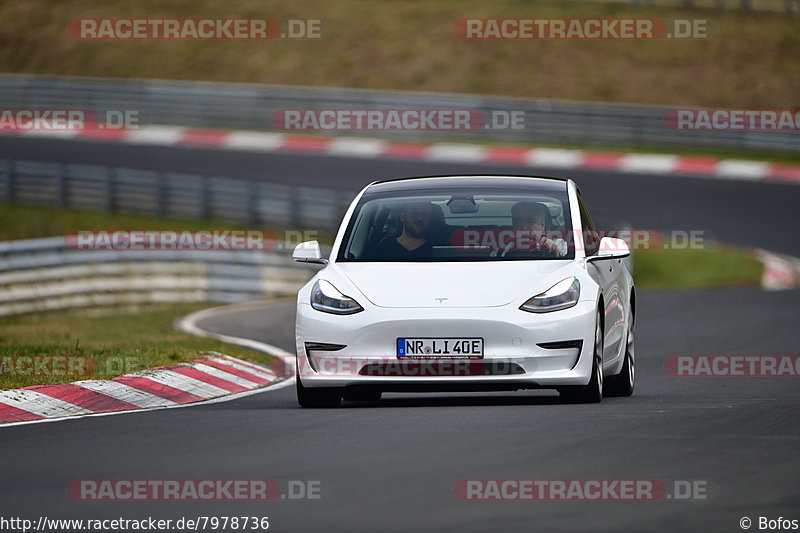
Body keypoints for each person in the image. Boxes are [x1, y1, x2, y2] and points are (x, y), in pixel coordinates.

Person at [363, 202, 435, 260]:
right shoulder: (380, 250)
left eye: (425, 214)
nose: (420, 218)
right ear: (402, 217)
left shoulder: (440, 248)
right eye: (414, 214)